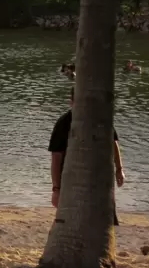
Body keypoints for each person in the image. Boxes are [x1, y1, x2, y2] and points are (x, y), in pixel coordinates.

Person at [49, 87, 124, 226]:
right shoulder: (63, 124)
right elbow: (56, 158)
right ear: (71, 103)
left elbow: (113, 143)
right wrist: (56, 190)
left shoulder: (100, 120)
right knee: (72, 221)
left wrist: (119, 169)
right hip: (72, 181)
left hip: (100, 178)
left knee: (107, 220)